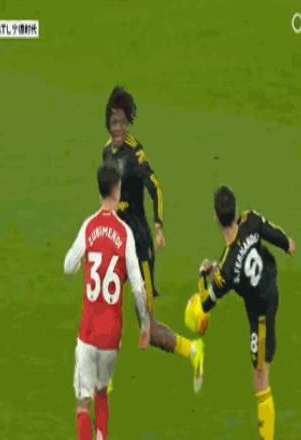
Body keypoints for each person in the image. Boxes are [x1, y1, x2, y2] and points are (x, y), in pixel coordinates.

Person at [102, 86, 204, 391]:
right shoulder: (106, 152)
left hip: (139, 247)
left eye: (122, 122)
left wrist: (158, 225)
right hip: (117, 243)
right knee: (107, 305)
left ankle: (192, 350)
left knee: (147, 323)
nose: (118, 128)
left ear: (128, 122)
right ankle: (105, 378)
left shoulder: (135, 152)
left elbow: (155, 187)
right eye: (113, 122)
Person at [197, 185, 296, 440]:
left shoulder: (226, 270)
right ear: (236, 210)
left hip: (261, 314)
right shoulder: (249, 220)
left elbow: (206, 303)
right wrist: (287, 243)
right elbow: (270, 232)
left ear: (216, 217)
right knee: (260, 373)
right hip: (270, 284)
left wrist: (202, 275)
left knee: (260, 378)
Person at [64, 163, 151, 440]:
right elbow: (137, 286)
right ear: (117, 191)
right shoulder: (124, 233)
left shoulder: (88, 226)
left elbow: (68, 265)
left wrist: (84, 260)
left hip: (88, 331)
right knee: (102, 391)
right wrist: (145, 324)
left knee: (82, 401)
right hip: (112, 335)